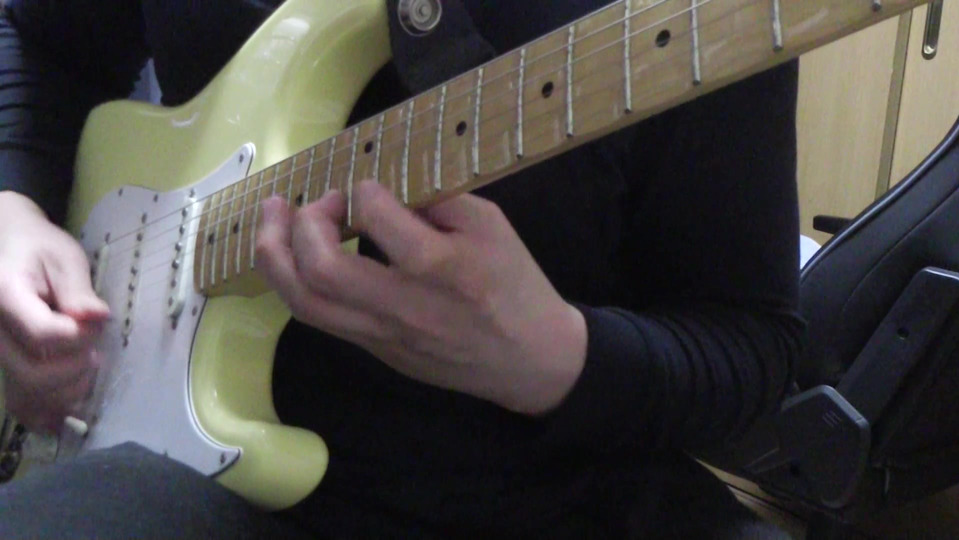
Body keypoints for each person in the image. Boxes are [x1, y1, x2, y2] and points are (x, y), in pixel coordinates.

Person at [0, 0, 803, 538]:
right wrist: (13, 208)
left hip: (552, 493)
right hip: (170, 465)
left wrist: (556, 357)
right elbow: (42, 41)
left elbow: (751, 344)